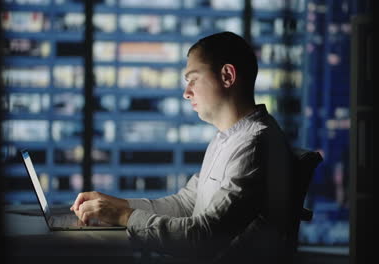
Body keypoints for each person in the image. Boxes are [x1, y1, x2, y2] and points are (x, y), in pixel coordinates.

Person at [70, 31, 296, 263]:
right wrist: (115, 206)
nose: (186, 93)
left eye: (193, 79)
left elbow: (204, 238)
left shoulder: (255, 144)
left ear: (227, 76)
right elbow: (186, 205)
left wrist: (124, 216)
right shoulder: (227, 138)